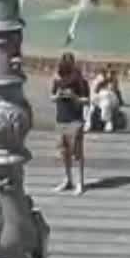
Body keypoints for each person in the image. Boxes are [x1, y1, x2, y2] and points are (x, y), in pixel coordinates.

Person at [50, 53, 90, 194]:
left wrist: (74, 97)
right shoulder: (58, 79)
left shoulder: (80, 80)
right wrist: (57, 96)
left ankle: (80, 182)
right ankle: (68, 179)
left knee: (77, 153)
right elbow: (52, 97)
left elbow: (87, 100)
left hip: (75, 120)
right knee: (64, 152)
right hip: (61, 119)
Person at [86, 66, 124, 133]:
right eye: (107, 72)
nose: (109, 74)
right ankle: (88, 124)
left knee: (106, 102)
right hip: (98, 98)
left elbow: (115, 91)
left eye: (111, 73)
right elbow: (95, 91)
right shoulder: (98, 80)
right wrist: (104, 81)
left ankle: (108, 122)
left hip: (109, 99)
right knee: (91, 108)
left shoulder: (113, 80)